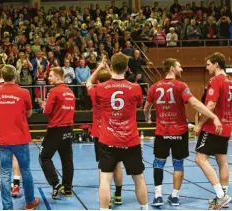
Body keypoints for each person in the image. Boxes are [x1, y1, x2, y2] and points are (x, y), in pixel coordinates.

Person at [144, 58, 223, 207]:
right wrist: (213, 116)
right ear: (172, 69)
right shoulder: (181, 86)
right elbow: (194, 103)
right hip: (179, 133)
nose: (181, 70)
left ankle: (158, 196)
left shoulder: (154, 87)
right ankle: (175, 197)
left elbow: (146, 107)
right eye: (179, 67)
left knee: (158, 163)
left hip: (162, 132)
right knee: (178, 164)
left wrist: (148, 117)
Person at [87, 53, 148, 210]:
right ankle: (145, 208)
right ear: (127, 68)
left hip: (108, 141)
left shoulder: (100, 88)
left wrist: (100, 68)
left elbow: (88, 84)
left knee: (105, 179)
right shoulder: (135, 88)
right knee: (139, 178)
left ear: (112, 67)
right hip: (131, 141)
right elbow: (139, 105)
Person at [0, 64, 40, 210]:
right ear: (15, 76)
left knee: (5, 173)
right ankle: (30, 203)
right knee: (25, 170)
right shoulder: (24, 93)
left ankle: (7, 207)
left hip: (3, 139)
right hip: (20, 138)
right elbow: (29, 113)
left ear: (2, 76)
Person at [193, 52, 232, 210]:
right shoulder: (229, 81)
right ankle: (223, 195)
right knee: (222, 161)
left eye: (209, 64)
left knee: (200, 159)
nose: (207, 67)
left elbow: (210, 106)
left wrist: (200, 124)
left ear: (216, 64)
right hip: (226, 126)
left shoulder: (216, 81)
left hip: (212, 127)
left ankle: (222, 196)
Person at [86, 57, 124, 207]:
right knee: (118, 165)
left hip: (100, 133)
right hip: (116, 131)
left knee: (104, 169)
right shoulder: (117, 89)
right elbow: (114, 78)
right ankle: (119, 195)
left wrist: (99, 67)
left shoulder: (96, 90)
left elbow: (88, 82)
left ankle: (105, 200)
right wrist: (108, 69)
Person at [38, 67, 75, 199]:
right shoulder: (70, 92)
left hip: (56, 129)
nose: (49, 78)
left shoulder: (53, 91)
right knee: (67, 160)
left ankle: (56, 184)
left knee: (43, 157)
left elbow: (47, 112)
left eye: (51, 76)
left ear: (58, 77)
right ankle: (68, 188)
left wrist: (44, 106)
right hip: (69, 129)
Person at [0, 65, 22, 197]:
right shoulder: (18, 89)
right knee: (15, 158)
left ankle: (5, 183)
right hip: (16, 126)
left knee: (2, 158)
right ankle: (16, 185)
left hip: (1, 126)